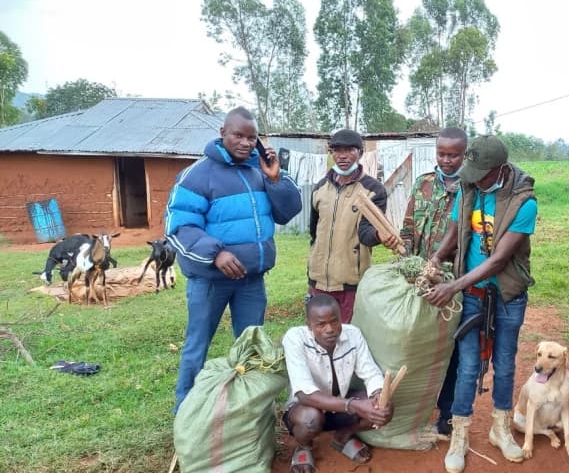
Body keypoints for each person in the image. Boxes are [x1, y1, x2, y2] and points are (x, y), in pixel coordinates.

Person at [165, 107, 302, 412]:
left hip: (251, 280)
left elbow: (288, 211)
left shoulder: (261, 171)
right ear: (222, 132)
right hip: (210, 281)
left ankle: (251, 406)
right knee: (197, 344)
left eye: (252, 137)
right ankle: (184, 409)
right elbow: (178, 227)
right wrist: (216, 253)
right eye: (238, 135)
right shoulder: (197, 175)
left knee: (251, 344)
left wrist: (276, 178)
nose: (245, 142)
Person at [423, 135, 537, 473]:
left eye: (480, 172)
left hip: (506, 295)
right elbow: (456, 227)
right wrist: (437, 256)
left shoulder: (523, 202)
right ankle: (460, 434)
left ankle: (500, 429)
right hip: (471, 297)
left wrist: (452, 285)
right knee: (468, 365)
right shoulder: (468, 187)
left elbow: (500, 261)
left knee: (504, 363)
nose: (471, 177)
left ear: (499, 169)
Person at [399, 127, 467, 436]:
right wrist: (405, 264)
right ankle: (412, 407)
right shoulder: (423, 183)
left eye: (454, 155)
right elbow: (409, 225)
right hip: (418, 277)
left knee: (450, 347)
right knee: (416, 341)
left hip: (450, 279)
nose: (447, 160)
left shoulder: (471, 187)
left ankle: (447, 412)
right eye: (442, 154)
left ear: (464, 155)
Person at [282, 294, 393, 473]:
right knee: (310, 419)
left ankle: (342, 436)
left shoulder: (353, 334)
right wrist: (354, 405)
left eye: (335, 322)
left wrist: (379, 395)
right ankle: (304, 446)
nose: (330, 329)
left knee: (385, 406)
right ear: (309, 325)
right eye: (321, 324)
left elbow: (371, 373)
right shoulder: (295, 338)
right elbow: (304, 394)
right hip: (304, 410)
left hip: (340, 406)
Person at [308, 128, 399, 323]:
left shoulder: (373, 190)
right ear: (331, 153)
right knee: (320, 336)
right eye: (337, 150)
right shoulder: (320, 188)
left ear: (360, 153)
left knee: (348, 335)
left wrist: (378, 235)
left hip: (351, 282)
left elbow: (365, 233)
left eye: (349, 150)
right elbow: (314, 232)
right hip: (319, 280)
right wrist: (312, 274)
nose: (342, 156)